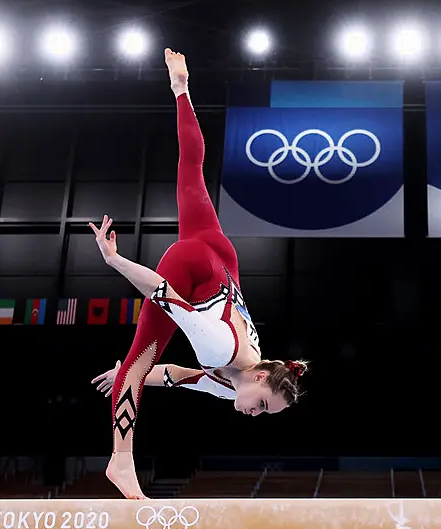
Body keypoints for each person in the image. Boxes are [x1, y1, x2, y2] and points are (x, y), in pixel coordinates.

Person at [87, 48, 307, 500]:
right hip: (192, 267)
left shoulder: (234, 385)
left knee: (192, 173)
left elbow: (174, 376)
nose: (256, 415)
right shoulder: (222, 347)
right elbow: (165, 294)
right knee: (136, 359)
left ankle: (181, 88)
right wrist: (115, 262)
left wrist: (134, 374)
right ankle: (120, 461)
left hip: (223, 261)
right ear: (262, 378)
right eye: (263, 407)